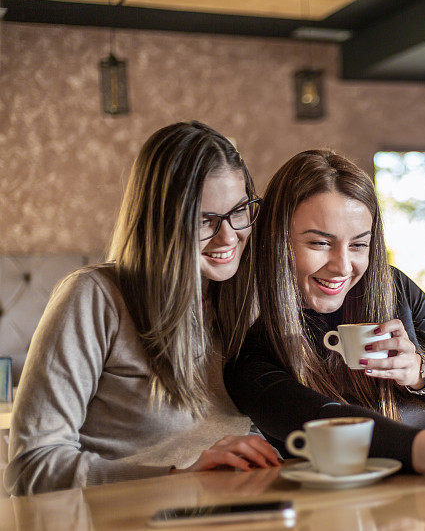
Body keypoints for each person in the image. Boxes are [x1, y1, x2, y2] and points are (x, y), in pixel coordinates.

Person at [4, 121, 280, 496]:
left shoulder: (245, 303)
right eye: (204, 220)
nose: (229, 236)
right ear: (160, 222)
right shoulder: (94, 297)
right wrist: (176, 479)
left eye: (239, 211)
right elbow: (31, 466)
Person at [225, 149, 425, 482]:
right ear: (276, 239)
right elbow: (323, 419)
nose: (342, 266)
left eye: (358, 245)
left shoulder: (391, 287)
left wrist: (421, 372)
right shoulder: (250, 337)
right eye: (320, 243)